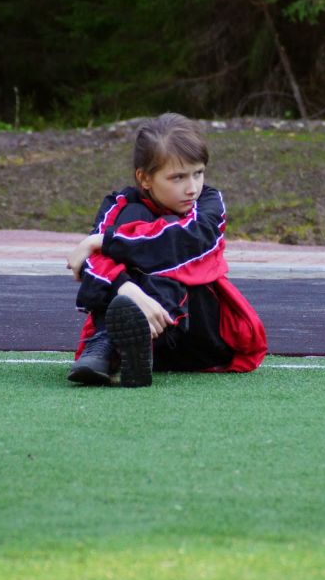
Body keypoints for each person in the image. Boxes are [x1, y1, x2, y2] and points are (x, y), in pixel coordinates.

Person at [66, 113, 267, 387]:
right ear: (145, 178)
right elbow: (90, 264)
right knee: (133, 216)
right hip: (150, 340)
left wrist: (101, 241)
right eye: (178, 177)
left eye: (198, 173)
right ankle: (124, 349)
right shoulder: (119, 205)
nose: (192, 188)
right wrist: (127, 289)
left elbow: (178, 244)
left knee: (169, 234)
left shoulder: (209, 204)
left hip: (200, 336)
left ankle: (111, 347)